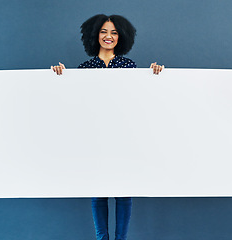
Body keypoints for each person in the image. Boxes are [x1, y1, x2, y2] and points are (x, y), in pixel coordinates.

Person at [51, 14, 164, 240]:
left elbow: (141, 100)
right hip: (95, 138)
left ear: (121, 37)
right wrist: (60, 76)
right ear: (95, 35)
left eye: (113, 32)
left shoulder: (129, 66)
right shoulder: (84, 69)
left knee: (124, 192)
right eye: (104, 31)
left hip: (124, 137)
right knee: (98, 192)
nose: (108, 36)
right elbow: (74, 102)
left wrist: (154, 74)